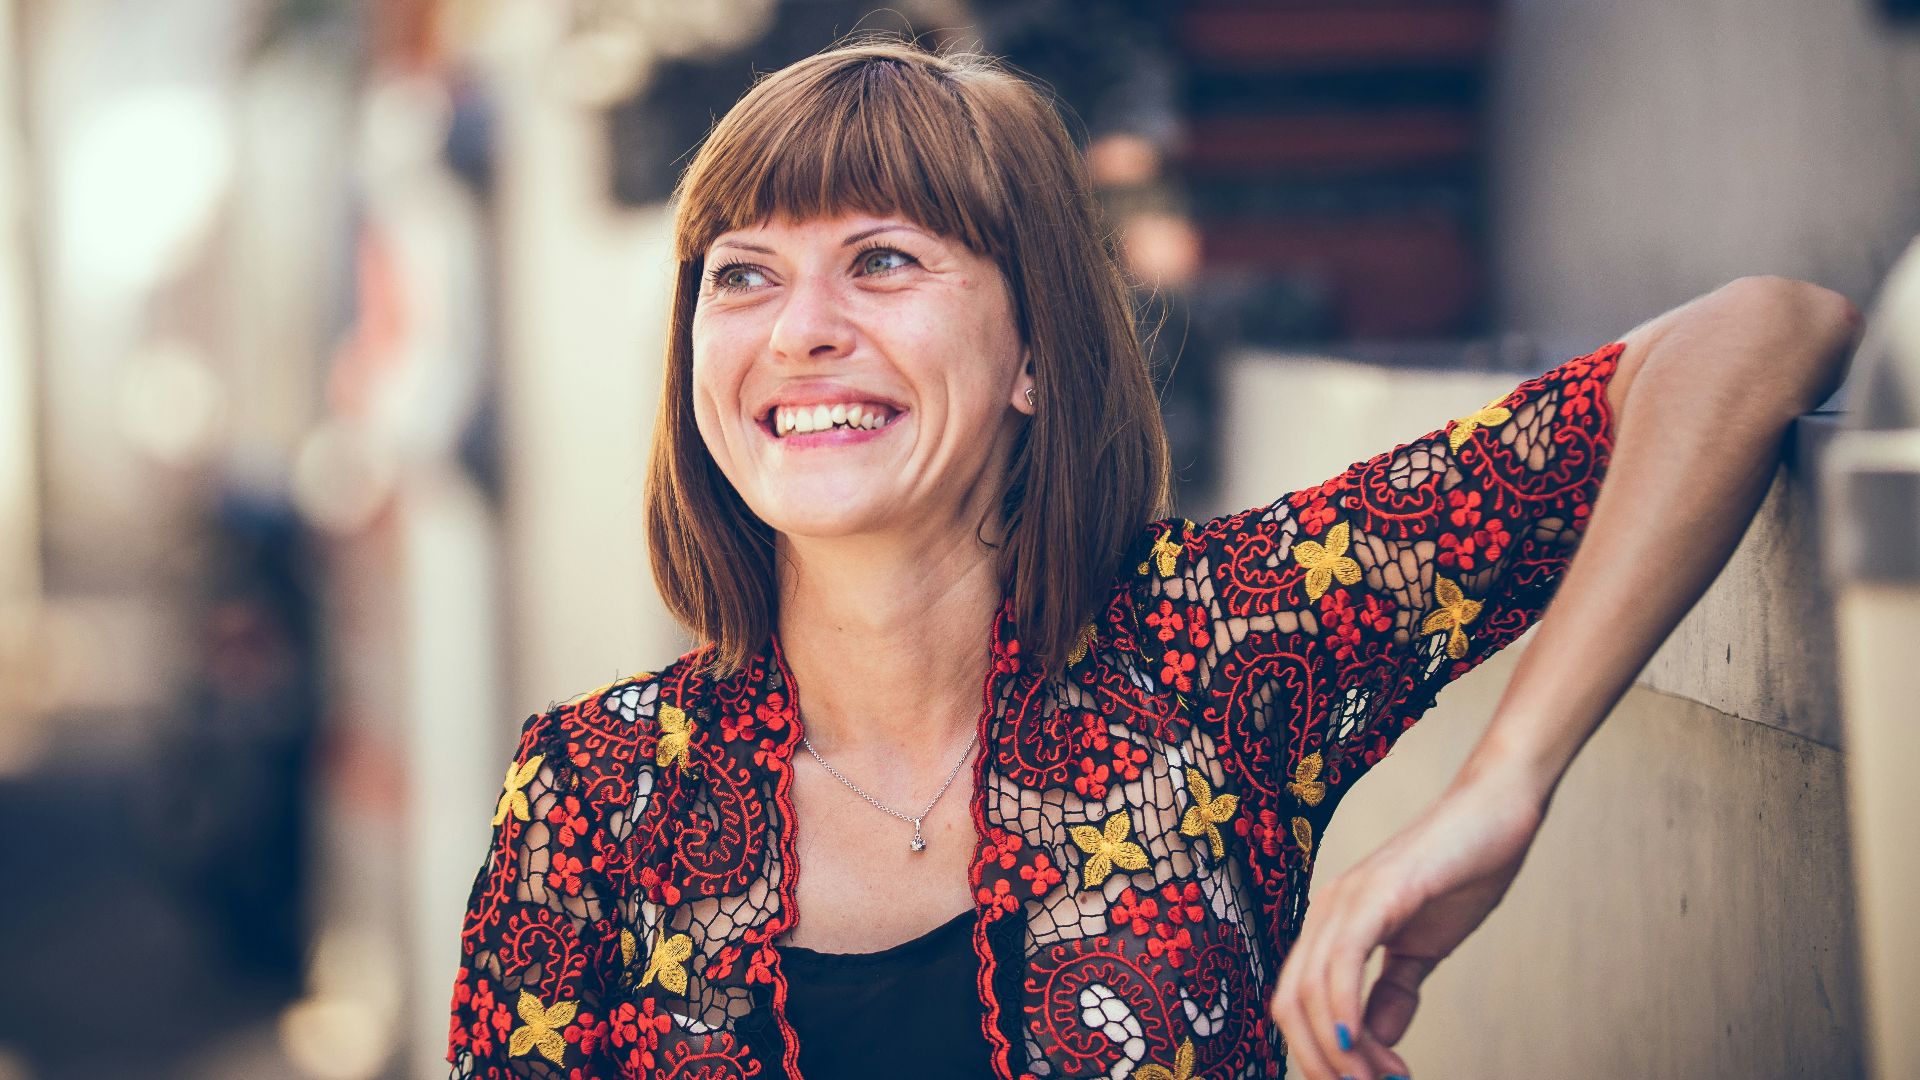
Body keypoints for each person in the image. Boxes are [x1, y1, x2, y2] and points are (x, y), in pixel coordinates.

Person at [445, 38, 1861, 1080]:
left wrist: (1506, 785)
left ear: (1036, 356)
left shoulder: (1214, 648)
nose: (795, 327)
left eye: (882, 260)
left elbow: (1761, 334)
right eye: (740, 273)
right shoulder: (592, 798)